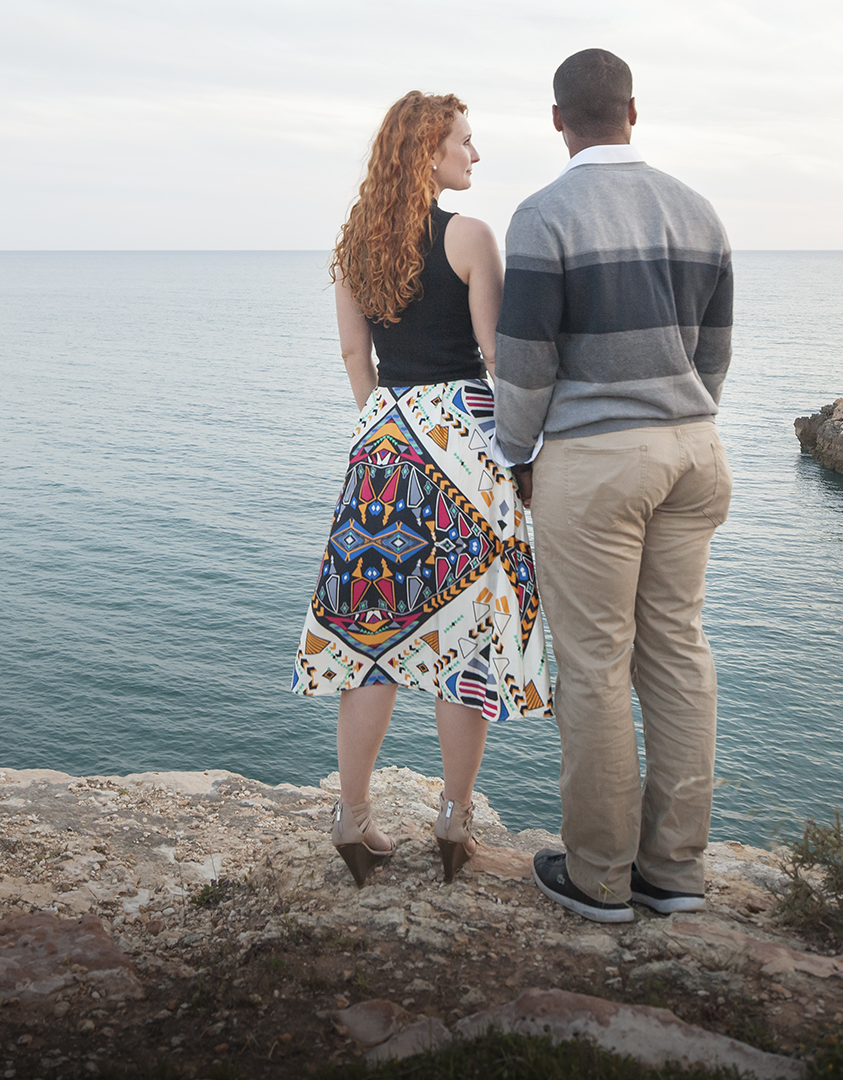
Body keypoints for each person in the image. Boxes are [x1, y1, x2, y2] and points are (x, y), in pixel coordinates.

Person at [493, 49, 733, 923]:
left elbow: (525, 366)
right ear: (635, 111)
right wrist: (684, 419)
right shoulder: (698, 210)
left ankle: (598, 877)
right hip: (695, 450)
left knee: (595, 668)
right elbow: (715, 354)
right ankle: (675, 873)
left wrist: (517, 453)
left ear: (558, 120)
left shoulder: (544, 215)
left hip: (596, 461)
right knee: (678, 653)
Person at [293, 90, 552, 887]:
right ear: (428, 153)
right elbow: (499, 358)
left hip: (383, 441)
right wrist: (524, 453)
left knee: (371, 634)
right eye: (465, 143)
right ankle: (453, 817)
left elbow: (353, 359)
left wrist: (390, 427)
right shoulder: (471, 236)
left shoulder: (353, 247)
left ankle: (354, 817)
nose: (474, 156)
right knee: (465, 640)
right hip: (465, 441)